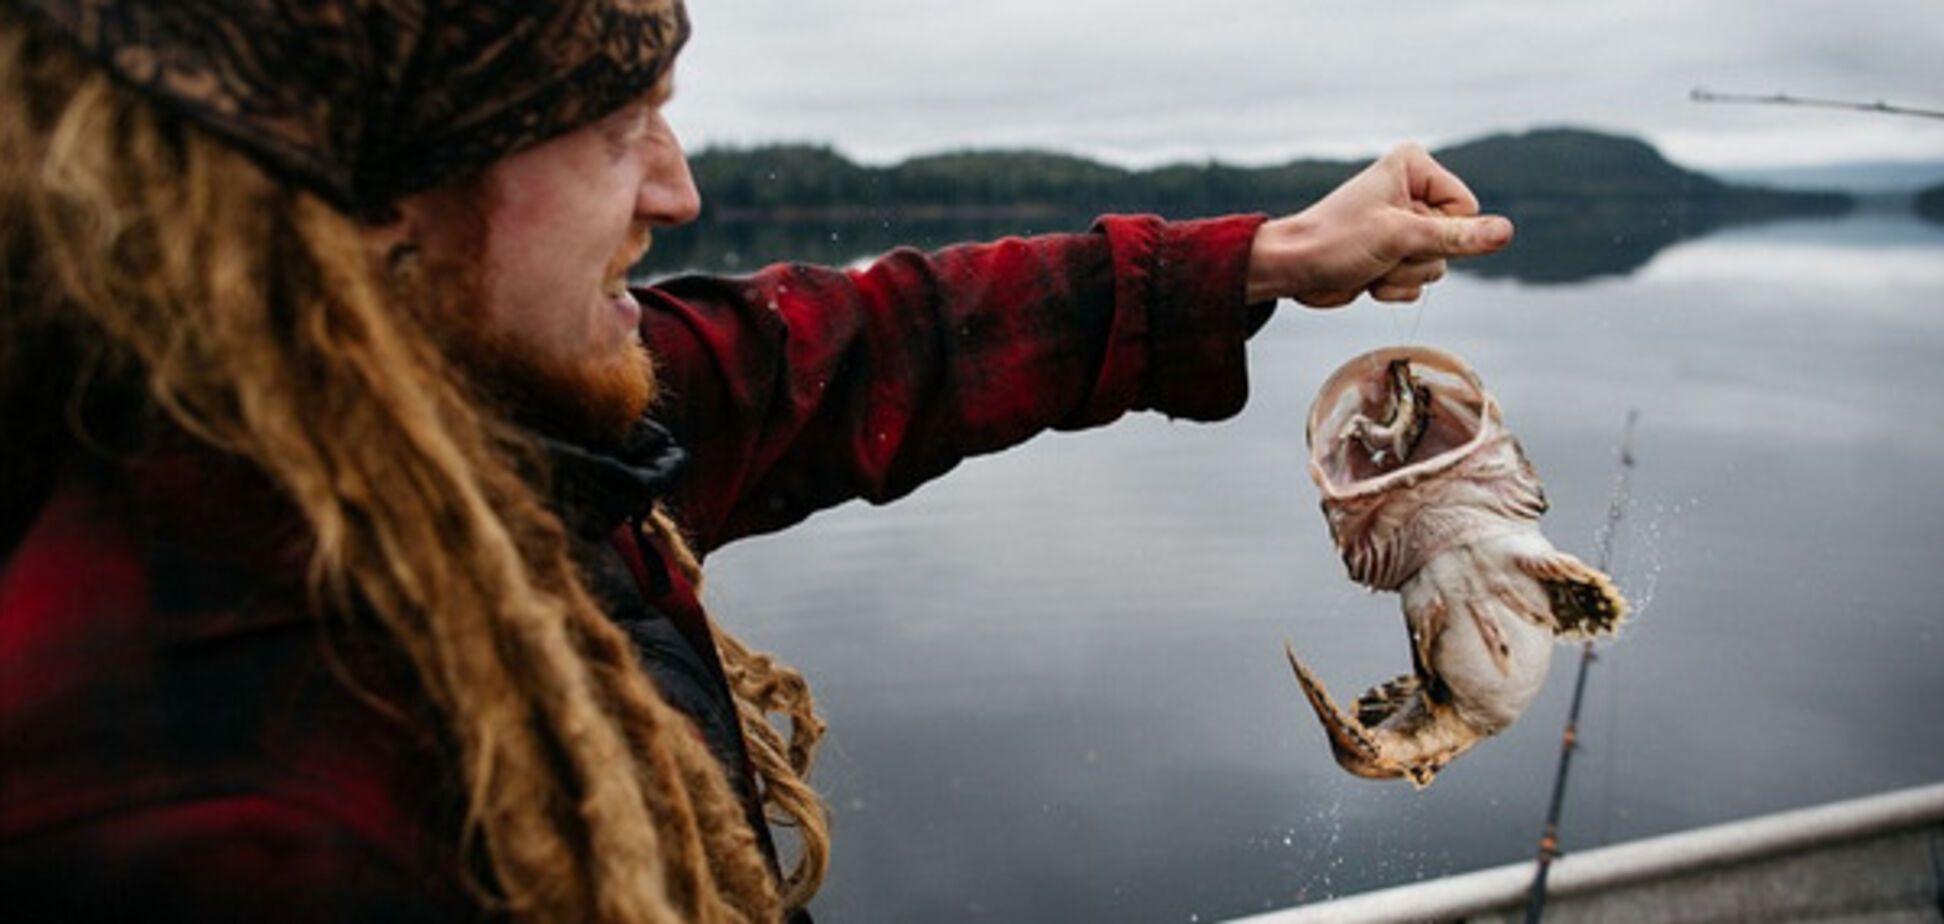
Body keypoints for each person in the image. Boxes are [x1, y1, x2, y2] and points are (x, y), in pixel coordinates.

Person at [0, 1, 1511, 921]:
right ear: (375, 193)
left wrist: (1267, 257)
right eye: (619, 129)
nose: (679, 191)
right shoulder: (196, 816)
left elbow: (862, 346)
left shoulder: (482, 411)